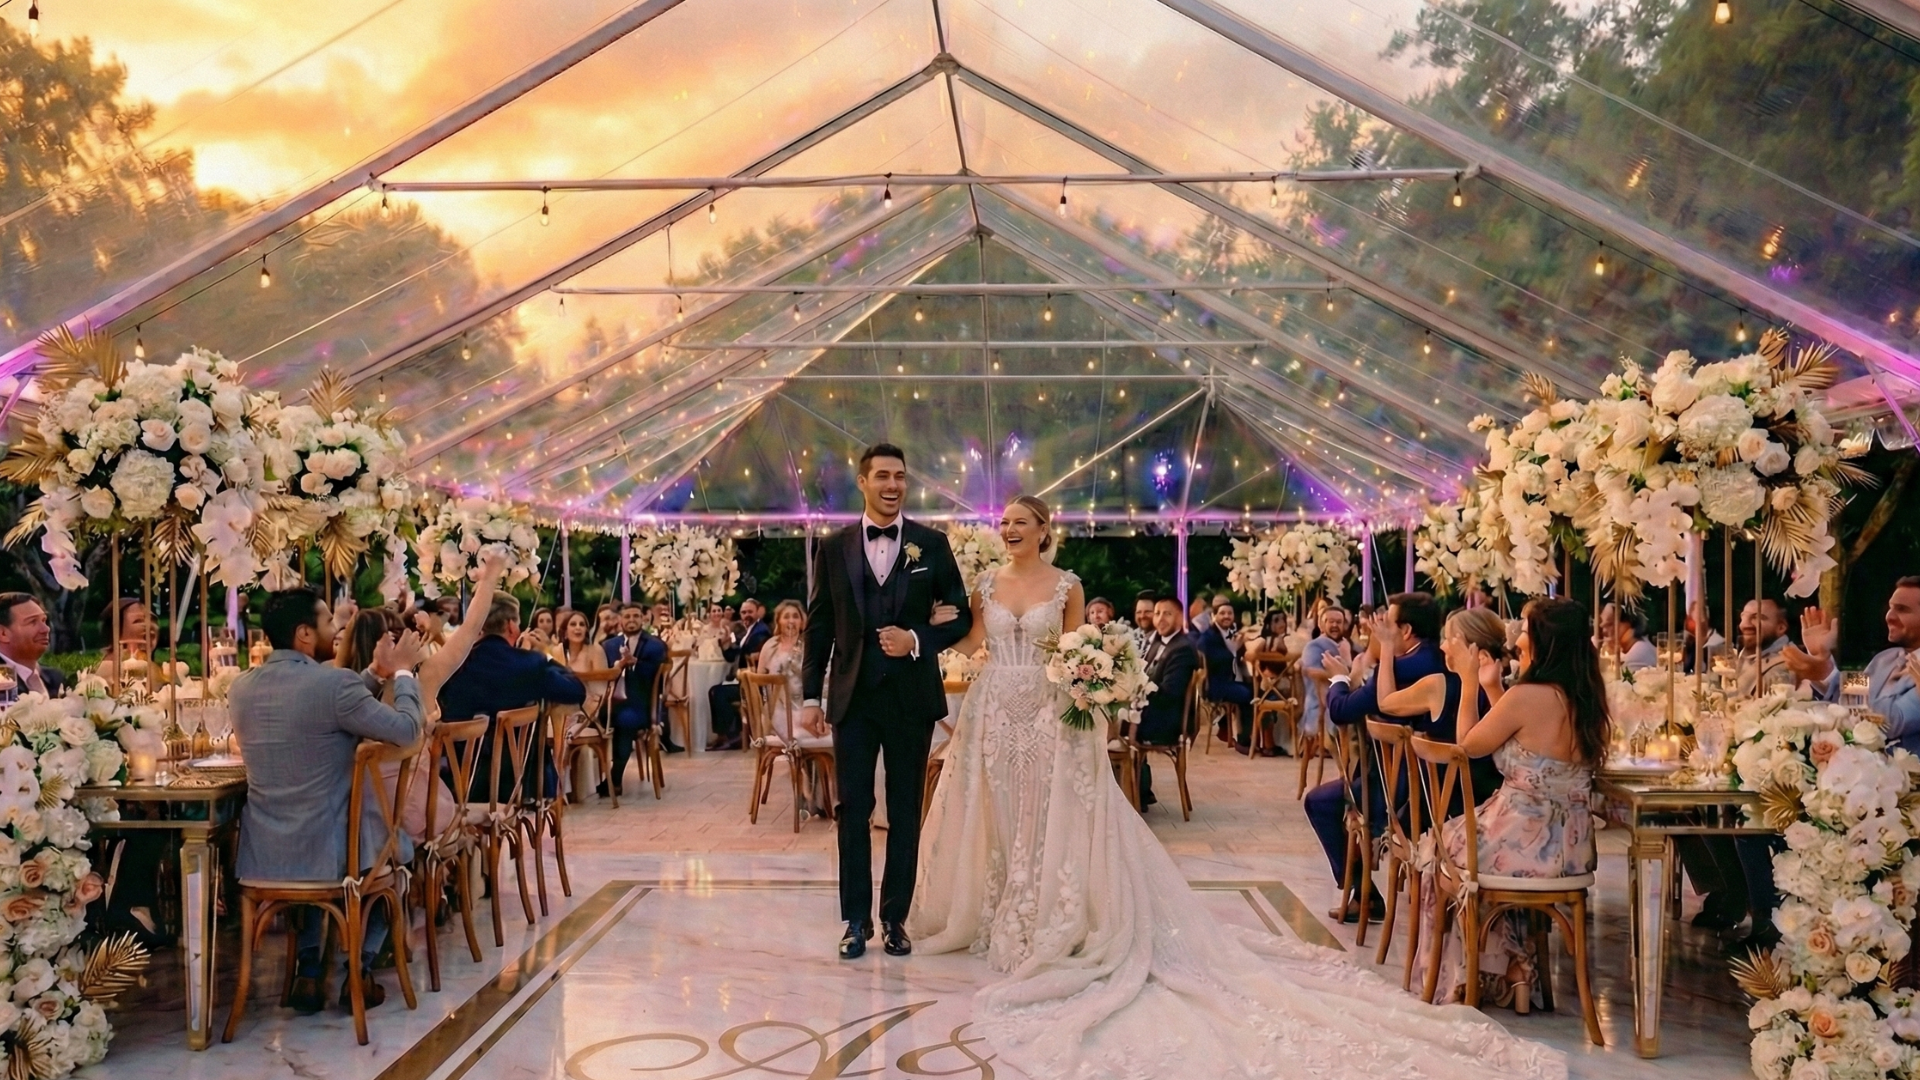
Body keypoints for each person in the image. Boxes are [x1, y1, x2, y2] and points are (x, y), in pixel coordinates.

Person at [908, 502, 1565, 1080]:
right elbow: (969, 638)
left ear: (1044, 531)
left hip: (1047, 713)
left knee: (1050, 815)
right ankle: (998, 913)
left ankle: (1051, 913)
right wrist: (926, 629)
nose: (1009, 528)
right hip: (997, 709)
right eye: (1004, 522)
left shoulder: (1068, 585)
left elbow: (1081, 643)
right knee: (1002, 813)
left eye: (1020, 521)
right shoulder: (986, 584)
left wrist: (1090, 680)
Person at [799, 443, 972, 961]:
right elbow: (819, 626)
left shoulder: (932, 545)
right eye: (882, 476)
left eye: (900, 476)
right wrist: (811, 695)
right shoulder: (833, 548)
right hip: (852, 700)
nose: (893, 485)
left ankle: (896, 918)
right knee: (853, 810)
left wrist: (917, 639)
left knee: (904, 811)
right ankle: (855, 920)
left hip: (910, 699)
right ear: (863, 481)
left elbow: (961, 616)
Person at [229, 588, 426, 1013]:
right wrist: (406, 674)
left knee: (342, 855)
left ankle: (309, 970)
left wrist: (375, 671)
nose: (336, 630)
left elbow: (326, 702)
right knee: (393, 857)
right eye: (327, 623)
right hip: (334, 855)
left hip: (266, 857)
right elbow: (408, 733)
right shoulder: (334, 685)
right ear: (304, 634)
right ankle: (361, 965)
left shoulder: (240, 687)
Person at [1415, 598, 1607, 1011]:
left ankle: (1489, 972)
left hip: (1525, 837)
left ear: (1541, 641)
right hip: (1570, 849)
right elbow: (1524, 740)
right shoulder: (1585, 693)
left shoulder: (1529, 695)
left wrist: (1468, 683)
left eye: (1524, 627)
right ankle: (1513, 970)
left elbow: (1468, 748)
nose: (1516, 635)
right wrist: (1490, 685)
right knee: (1469, 852)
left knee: (1442, 852)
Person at [1305, 593, 1451, 919]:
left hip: (1400, 789)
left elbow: (1342, 710)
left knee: (1320, 802)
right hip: (1428, 779)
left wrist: (1341, 678)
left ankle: (1362, 892)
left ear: (1407, 630)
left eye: (1387, 623)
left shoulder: (1403, 667)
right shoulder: (1432, 659)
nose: (1379, 627)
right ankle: (1361, 893)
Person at [437, 595, 587, 801]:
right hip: (521, 780)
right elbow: (576, 691)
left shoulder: (454, 666)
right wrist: (546, 654)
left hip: (460, 780)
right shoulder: (530, 664)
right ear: (511, 626)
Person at [1793, 577, 1920, 750]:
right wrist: (1821, 656)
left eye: (1902, 609)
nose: (1889, 616)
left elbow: (1892, 722)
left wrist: (1826, 672)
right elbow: (1848, 699)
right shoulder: (1884, 659)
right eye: (1890, 608)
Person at [1132, 594, 1198, 808]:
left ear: (1180, 618)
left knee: (1111, 727)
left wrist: (1135, 694)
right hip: (1152, 712)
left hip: (1167, 721)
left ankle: (1133, 794)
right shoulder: (1156, 643)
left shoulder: (1182, 649)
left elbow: (1170, 692)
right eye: (1158, 613)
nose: (1160, 619)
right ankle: (1136, 791)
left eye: (1167, 614)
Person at [599, 603, 670, 795]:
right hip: (610, 702)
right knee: (591, 719)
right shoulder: (608, 645)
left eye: (635, 616)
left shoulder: (655, 645)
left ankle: (615, 778)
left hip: (641, 704)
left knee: (625, 721)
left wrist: (636, 663)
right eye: (627, 617)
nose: (631, 620)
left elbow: (658, 676)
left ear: (643, 619)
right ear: (620, 620)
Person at [707, 598, 772, 751]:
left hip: (755, 686)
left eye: (750, 612)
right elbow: (734, 655)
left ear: (758, 613)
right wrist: (726, 646)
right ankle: (725, 736)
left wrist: (733, 646)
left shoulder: (760, 631)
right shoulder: (750, 630)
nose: (746, 615)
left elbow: (747, 654)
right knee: (716, 691)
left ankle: (733, 736)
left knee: (718, 693)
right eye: (743, 612)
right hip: (746, 682)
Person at [1196, 597, 1254, 752]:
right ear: (1214, 616)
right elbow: (1214, 660)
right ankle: (1243, 741)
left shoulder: (1231, 633)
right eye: (1222, 613)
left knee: (1258, 690)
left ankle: (1226, 727)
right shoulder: (1208, 636)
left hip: (1231, 680)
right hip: (1215, 684)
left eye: (1229, 613)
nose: (1226, 616)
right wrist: (1235, 650)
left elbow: (1241, 655)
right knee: (1248, 694)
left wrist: (1240, 648)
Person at [553, 608, 624, 724]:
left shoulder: (595, 650)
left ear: (586, 630)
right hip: (563, 706)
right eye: (573, 624)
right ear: (565, 632)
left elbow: (600, 688)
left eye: (582, 624)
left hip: (590, 708)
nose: (578, 628)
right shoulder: (558, 651)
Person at [1297, 606, 1351, 745]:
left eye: (1339, 622)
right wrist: (1343, 668)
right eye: (1330, 621)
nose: (1334, 625)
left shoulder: (1345, 644)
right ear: (1321, 625)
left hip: (1342, 701)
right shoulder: (1314, 646)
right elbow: (1311, 672)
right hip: (1321, 708)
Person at [0, 594, 64, 698]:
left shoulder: (55, 678)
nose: (46, 629)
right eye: (32, 622)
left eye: (44, 620)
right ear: (3, 633)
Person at [1617, 609, 1658, 673]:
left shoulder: (1639, 652)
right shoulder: (1640, 644)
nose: (1604, 630)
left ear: (1629, 625)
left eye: (1610, 624)